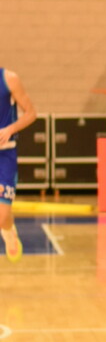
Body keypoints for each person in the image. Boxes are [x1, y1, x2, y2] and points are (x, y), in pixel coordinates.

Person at [0, 67, 37, 262]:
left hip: (5, 155)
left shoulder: (9, 79)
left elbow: (31, 114)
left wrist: (10, 129)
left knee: (2, 215)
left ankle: (8, 231)